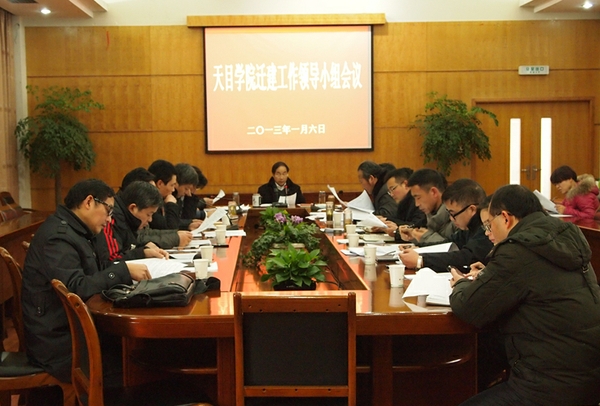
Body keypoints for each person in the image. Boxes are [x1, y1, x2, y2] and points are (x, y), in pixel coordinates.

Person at [450, 185, 600, 406]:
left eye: (489, 224)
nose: (488, 232)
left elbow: (469, 307)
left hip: (549, 386)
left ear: (505, 218)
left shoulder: (518, 248)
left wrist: (460, 283)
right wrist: (490, 275)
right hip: (586, 376)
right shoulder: (565, 236)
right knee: (488, 350)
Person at [21, 179, 151, 384]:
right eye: (108, 211)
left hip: (77, 330)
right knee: (137, 362)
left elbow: (103, 266)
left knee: (141, 348)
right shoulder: (58, 238)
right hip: (61, 344)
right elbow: (76, 288)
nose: (110, 219)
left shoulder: (82, 231)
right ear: (89, 202)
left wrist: (126, 267)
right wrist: (122, 271)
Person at [400, 178, 493, 272]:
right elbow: (449, 245)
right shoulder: (468, 227)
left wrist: (421, 260)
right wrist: (419, 249)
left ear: (471, 210)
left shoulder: (486, 229)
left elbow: (467, 257)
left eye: (453, 214)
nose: (451, 218)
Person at [96, 180, 170, 265]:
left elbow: (127, 246)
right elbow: (111, 260)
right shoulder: (110, 219)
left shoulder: (127, 218)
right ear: (133, 208)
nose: (150, 220)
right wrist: (142, 253)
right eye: (149, 214)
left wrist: (145, 247)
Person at [119, 167, 192, 249]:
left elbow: (146, 232)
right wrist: (175, 238)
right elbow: (138, 238)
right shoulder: (117, 215)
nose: (150, 219)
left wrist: (175, 234)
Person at [399, 168, 455, 245]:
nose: (416, 204)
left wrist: (425, 237)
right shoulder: (430, 215)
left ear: (433, 192)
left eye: (418, 198)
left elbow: (455, 248)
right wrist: (414, 237)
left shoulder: (457, 216)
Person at [374, 167, 426, 240]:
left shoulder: (418, 201)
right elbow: (401, 221)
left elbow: (416, 226)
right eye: (389, 192)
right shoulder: (403, 203)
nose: (391, 194)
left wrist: (394, 227)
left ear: (406, 185)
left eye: (393, 189)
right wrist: (385, 224)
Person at [147, 159, 180, 230]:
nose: (173, 190)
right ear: (160, 184)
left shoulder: (161, 198)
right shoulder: (148, 201)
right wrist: (171, 204)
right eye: (172, 185)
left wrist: (188, 223)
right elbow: (171, 229)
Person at [173, 162, 203, 230]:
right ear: (176, 184)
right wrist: (188, 223)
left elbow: (188, 217)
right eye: (186, 188)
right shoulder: (168, 198)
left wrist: (189, 198)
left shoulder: (179, 196)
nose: (188, 193)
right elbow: (171, 222)